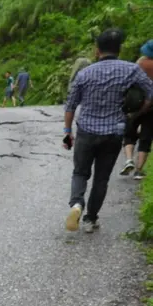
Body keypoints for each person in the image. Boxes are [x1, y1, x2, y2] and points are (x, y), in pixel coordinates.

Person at [64, 28, 153, 233]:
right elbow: (150, 93)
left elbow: (70, 106)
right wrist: (138, 112)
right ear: (119, 49)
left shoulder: (85, 73)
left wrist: (67, 131)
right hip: (113, 133)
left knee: (80, 172)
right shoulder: (131, 70)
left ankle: (77, 204)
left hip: (86, 131)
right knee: (101, 178)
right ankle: (90, 219)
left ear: (97, 50)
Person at [119, 39, 153, 180]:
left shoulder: (140, 64)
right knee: (146, 137)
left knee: (130, 133)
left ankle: (128, 160)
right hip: (151, 107)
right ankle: (139, 170)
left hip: (135, 104)